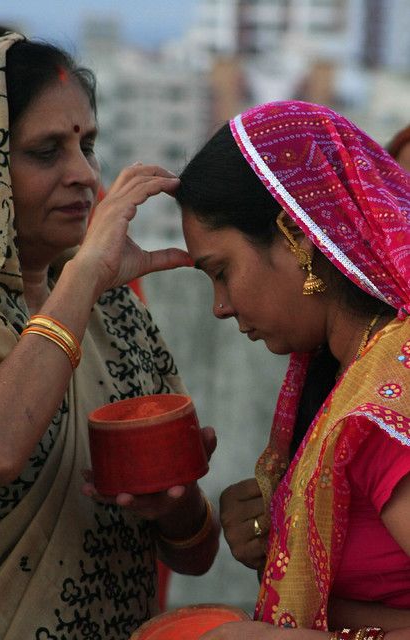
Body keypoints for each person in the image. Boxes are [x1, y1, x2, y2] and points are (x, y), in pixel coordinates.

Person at [0, 32, 220, 639]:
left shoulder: (115, 312)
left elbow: (195, 555)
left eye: (89, 146)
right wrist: (86, 273)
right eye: (45, 152)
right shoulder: (87, 288)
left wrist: (176, 507)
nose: (86, 176)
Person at [174, 100, 410, 639]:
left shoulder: (388, 401)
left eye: (222, 271)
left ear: (297, 240)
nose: (220, 306)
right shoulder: (345, 368)